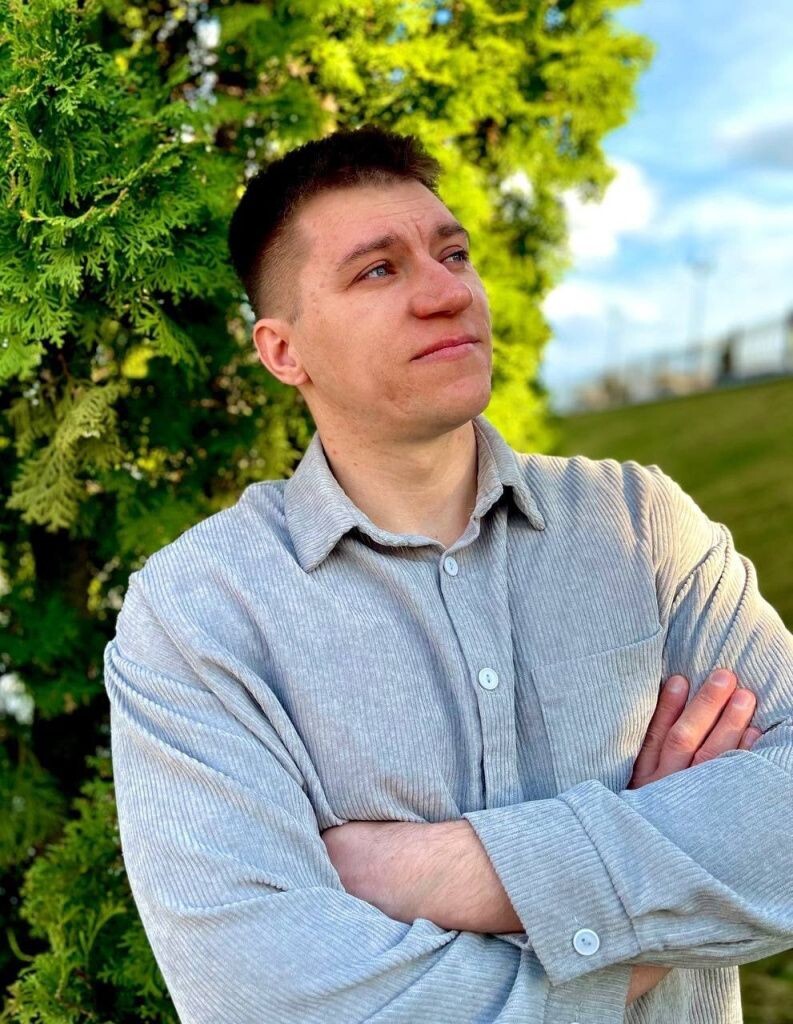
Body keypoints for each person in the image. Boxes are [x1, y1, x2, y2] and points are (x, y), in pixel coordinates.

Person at [104, 125, 793, 1023]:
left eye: (453, 253)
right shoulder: (199, 613)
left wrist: (454, 870)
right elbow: (266, 995)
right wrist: (648, 920)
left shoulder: (639, 524)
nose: (447, 293)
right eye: (377, 270)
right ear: (282, 352)